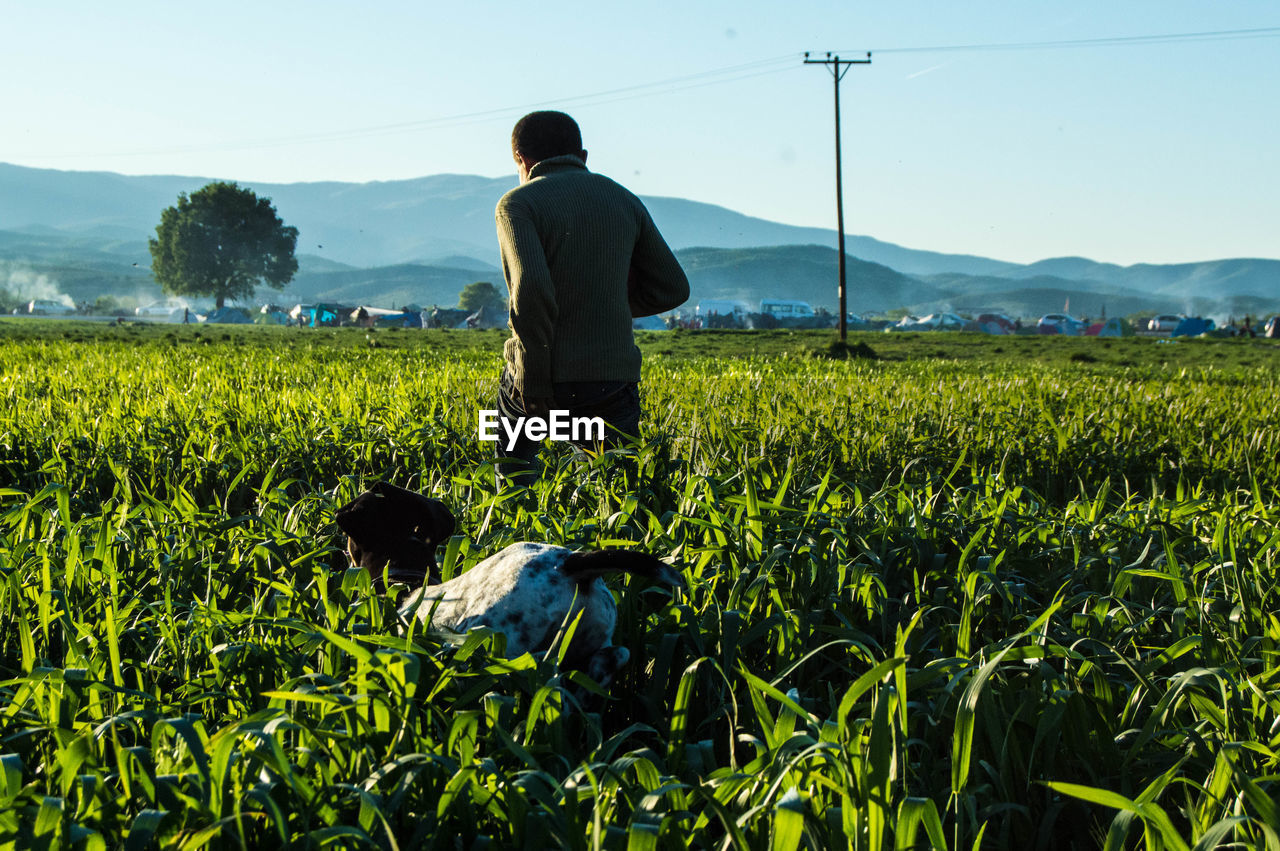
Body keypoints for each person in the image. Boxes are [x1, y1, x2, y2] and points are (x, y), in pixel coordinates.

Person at [493, 110, 689, 476]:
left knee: (515, 470)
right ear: (582, 156)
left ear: (520, 159)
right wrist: (602, 303)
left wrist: (533, 379)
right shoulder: (623, 198)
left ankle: (514, 524)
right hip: (610, 381)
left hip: (544, 378)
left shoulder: (517, 204)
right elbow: (674, 287)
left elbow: (531, 289)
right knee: (620, 491)